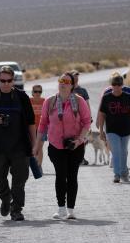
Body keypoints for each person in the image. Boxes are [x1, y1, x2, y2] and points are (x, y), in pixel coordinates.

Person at [0, 66, 36, 221]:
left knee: (20, 179)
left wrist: (35, 144)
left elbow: (30, 122)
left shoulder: (22, 97)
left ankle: (16, 209)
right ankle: (5, 197)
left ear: (13, 80)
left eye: (9, 81)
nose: (6, 84)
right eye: (2, 81)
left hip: (20, 145)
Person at [33, 72, 91, 219]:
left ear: (72, 85)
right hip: (56, 145)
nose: (63, 83)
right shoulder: (50, 101)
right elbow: (43, 124)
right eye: (61, 80)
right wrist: (37, 145)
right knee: (60, 175)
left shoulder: (79, 101)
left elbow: (86, 122)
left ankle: (71, 209)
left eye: (66, 81)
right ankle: (61, 209)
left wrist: (79, 140)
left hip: (75, 145)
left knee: (72, 176)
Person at [97, 73, 130, 183]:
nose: (116, 86)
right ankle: (117, 174)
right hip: (112, 130)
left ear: (122, 85)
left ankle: (124, 171)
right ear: (111, 85)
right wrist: (101, 130)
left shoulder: (128, 97)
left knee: (124, 151)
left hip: (126, 129)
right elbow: (102, 114)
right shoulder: (106, 98)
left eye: (119, 84)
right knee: (116, 151)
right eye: (114, 84)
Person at [69, 70, 92, 165]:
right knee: (71, 138)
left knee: (82, 138)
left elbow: (87, 104)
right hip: (70, 119)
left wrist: (89, 117)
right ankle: (72, 157)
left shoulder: (83, 91)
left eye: (77, 76)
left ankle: (81, 157)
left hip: (82, 119)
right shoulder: (68, 90)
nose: (76, 78)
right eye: (74, 76)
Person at [29, 84, 46, 166]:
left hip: (42, 128)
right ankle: (34, 164)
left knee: (39, 147)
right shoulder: (28, 101)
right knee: (33, 147)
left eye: (39, 91)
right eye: (35, 91)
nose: (37, 93)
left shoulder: (45, 101)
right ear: (32, 92)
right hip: (31, 128)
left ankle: (39, 166)